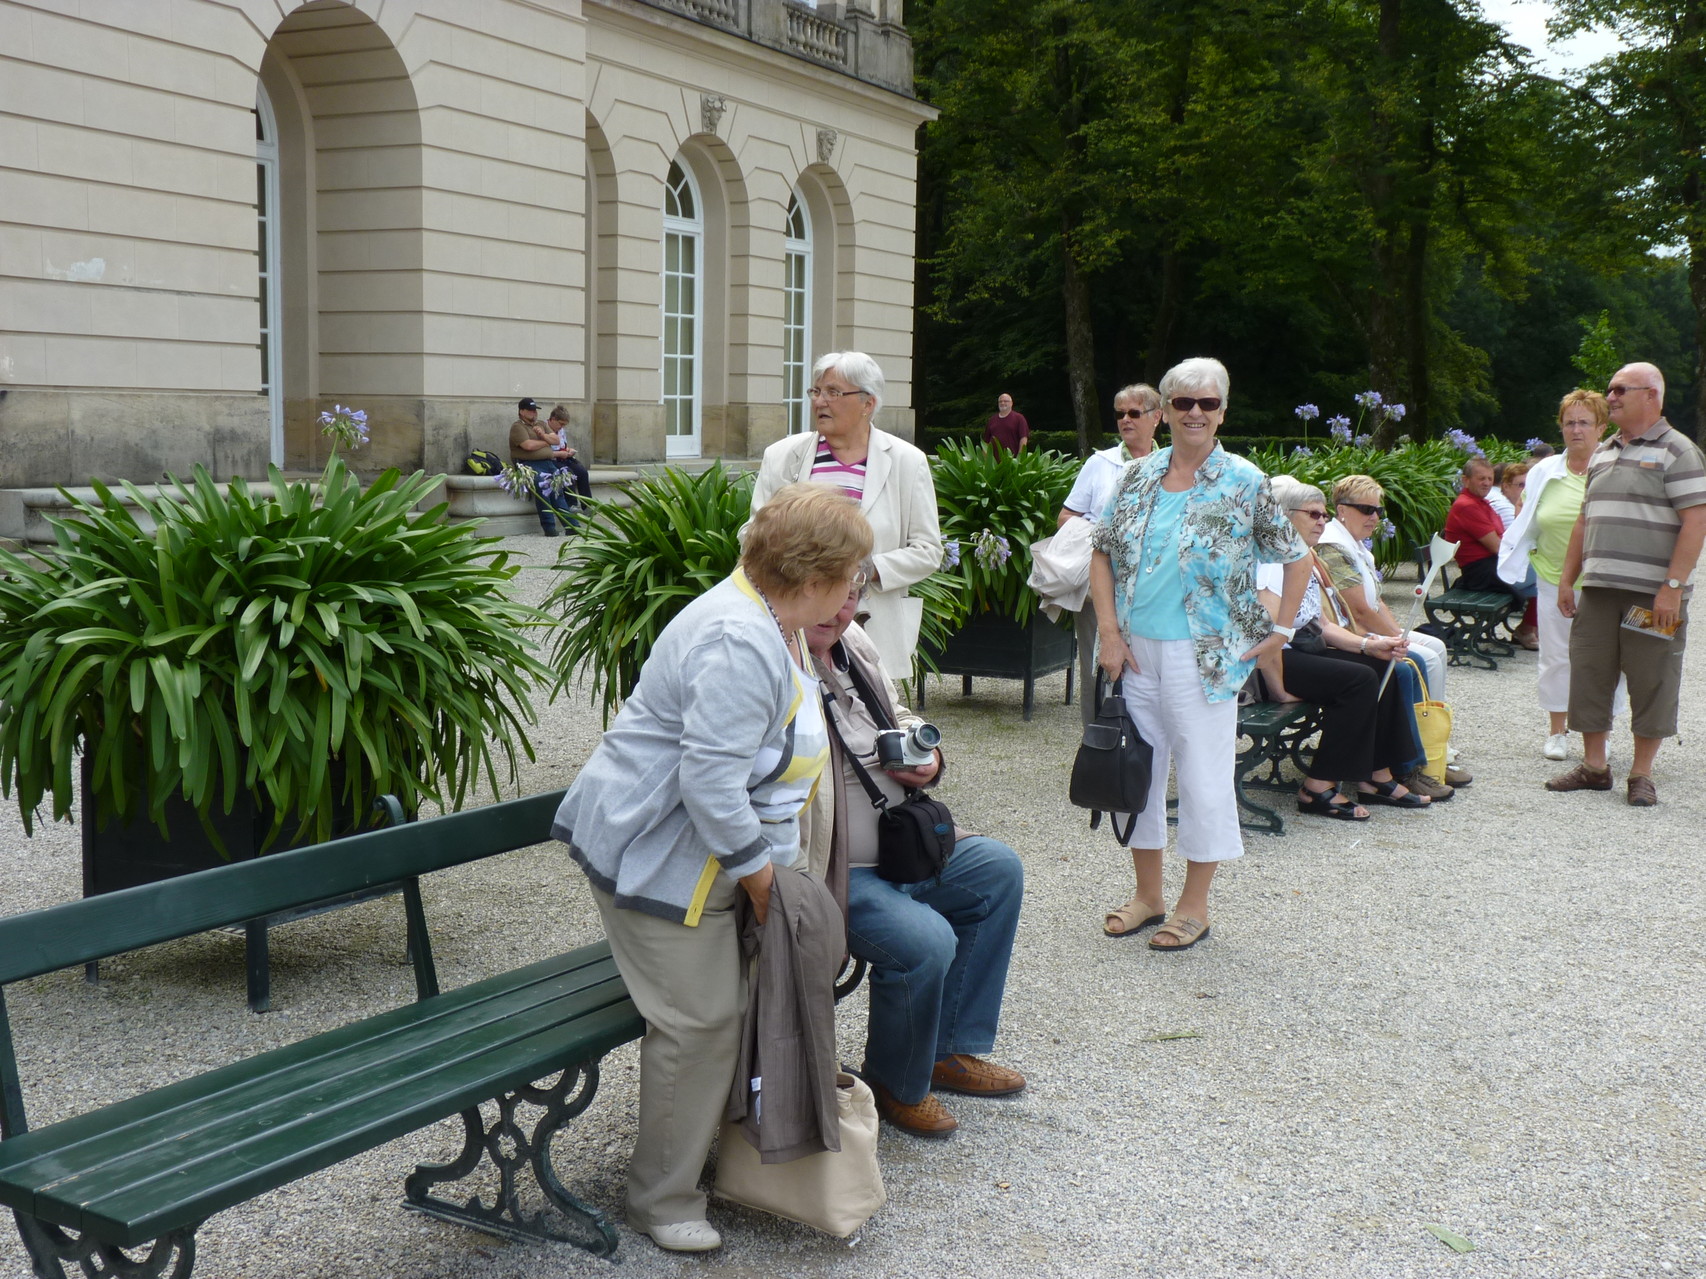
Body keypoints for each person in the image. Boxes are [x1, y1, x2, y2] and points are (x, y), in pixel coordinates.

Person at [551, 483, 871, 1253]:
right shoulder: (737, 636)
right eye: (852, 574)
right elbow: (711, 786)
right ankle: (660, 1198)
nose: (856, 589)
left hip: (694, 857)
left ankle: (702, 1158)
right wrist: (768, 885)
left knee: (721, 1010)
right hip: (659, 862)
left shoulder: (769, 618)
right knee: (702, 1022)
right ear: (811, 576)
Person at [1090, 356, 1309, 951]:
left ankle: (1194, 906)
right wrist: (1109, 633)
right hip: (1135, 654)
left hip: (1206, 657)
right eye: (1183, 402)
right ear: (1164, 411)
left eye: (1206, 404)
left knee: (1204, 780)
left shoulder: (1244, 481)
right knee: (1138, 772)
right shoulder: (1136, 477)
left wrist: (1282, 630)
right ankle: (1147, 895)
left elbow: (1297, 557)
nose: (1194, 413)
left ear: (1222, 412)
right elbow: (1102, 554)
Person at [802, 583, 1026, 1138]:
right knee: (926, 940)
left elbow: (898, 711)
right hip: (833, 869)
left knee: (998, 869)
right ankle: (896, 1084)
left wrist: (928, 757)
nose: (839, 610)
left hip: (906, 844)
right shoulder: (776, 656)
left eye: (851, 594)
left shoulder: (853, 638)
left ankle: (948, 1050)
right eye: (827, 593)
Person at [1546, 362, 1706, 806]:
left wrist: (1672, 587)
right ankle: (1595, 767)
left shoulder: (1679, 451)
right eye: (1610, 389)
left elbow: (1697, 521)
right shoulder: (1604, 450)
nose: (1609, 397)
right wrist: (1567, 578)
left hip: (1652, 595)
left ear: (1651, 395)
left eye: (1619, 390)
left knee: (1652, 675)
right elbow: (1584, 519)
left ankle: (1641, 774)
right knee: (1591, 674)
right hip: (1598, 591)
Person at [752, 351, 943, 673]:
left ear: (868, 403)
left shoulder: (907, 461)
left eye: (833, 392)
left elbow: (928, 551)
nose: (820, 402)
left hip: (870, 627)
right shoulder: (783, 456)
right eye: (816, 391)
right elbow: (751, 535)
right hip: (794, 621)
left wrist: (867, 569)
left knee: (865, 715)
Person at [1254, 476, 1431, 819]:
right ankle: (1316, 788)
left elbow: (1322, 626)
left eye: (1324, 514)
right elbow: (1270, 637)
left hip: (1301, 652)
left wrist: (1370, 646)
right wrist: (1277, 690)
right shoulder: (1272, 564)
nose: (1323, 521)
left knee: (1384, 669)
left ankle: (1377, 775)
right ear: (1286, 516)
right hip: (1269, 664)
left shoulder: (1302, 559)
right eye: (1314, 515)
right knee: (1357, 680)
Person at [1317, 474, 1467, 798]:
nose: (1374, 517)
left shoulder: (1355, 544)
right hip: (1351, 633)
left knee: (1435, 648)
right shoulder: (1331, 545)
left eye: (1378, 511)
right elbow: (1359, 612)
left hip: (1361, 630)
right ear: (1341, 509)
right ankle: (1411, 764)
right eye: (1366, 509)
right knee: (1414, 659)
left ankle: (1432, 751)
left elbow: (1376, 601)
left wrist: (1400, 633)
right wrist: (1401, 641)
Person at [1498, 390, 1625, 761]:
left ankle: (1601, 731)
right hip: (1553, 575)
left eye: (1584, 422)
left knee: (1608, 660)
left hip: (1605, 580)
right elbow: (1526, 511)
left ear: (1602, 426)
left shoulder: (1616, 465)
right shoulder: (1544, 470)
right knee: (1556, 655)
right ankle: (1557, 730)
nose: (1576, 430)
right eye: (1569, 423)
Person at [1058, 383, 1164, 724]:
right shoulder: (1099, 463)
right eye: (1120, 414)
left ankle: (1141, 738)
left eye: (1134, 413)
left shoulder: (1171, 464)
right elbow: (1065, 517)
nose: (1126, 420)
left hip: (1154, 588)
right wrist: (1109, 537)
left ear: (1157, 417)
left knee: (1147, 664)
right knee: (1097, 663)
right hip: (1100, 584)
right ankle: (1098, 739)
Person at [1443, 456, 1538, 649]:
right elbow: (1497, 546)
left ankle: (1529, 629)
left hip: (1490, 567)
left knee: (1542, 578)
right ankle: (1527, 630)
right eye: (1481, 478)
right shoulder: (1467, 506)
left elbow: (1503, 540)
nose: (1486, 483)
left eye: (1489, 478)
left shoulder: (1480, 502)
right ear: (1465, 480)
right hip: (1480, 574)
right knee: (1545, 574)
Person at [508, 397, 578, 536]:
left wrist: (542, 436)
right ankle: (549, 527)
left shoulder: (541, 424)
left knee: (558, 490)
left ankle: (571, 526)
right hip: (528, 465)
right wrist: (546, 441)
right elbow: (528, 446)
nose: (534, 413)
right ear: (522, 411)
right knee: (543, 486)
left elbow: (556, 439)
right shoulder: (518, 427)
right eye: (530, 411)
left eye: (535, 410)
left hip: (548, 463)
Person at [547, 403, 593, 502]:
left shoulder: (561, 430)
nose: (562, 427)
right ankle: (572, 504)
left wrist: (568, 451)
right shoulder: (544, 428)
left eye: (564, 425)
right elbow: (544, 451)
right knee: (568, 473)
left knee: (582, 472)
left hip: (563, 458)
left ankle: (588, 504)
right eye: (561, 424)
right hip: (552, 460)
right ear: (553, 419)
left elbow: (563, 446)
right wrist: (560, 453)